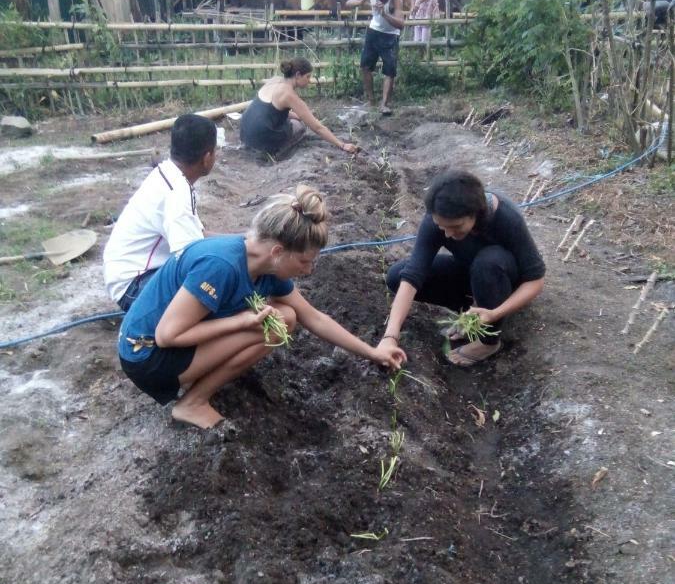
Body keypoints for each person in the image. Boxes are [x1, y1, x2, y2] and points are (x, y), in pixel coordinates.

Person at [118, 185, 406, 430]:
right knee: (277, 323)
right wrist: (242, 322)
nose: (309, 270)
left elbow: (313, 317)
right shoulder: (221, 265)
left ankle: (196, 389)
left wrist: (373, 353)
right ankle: (192, 403)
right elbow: (167, 335)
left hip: (169, 346)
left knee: (288, 317)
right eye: (305, 261)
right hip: (146, 356)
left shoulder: (266, 267)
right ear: (278, 251)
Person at [379, 170, 545, 367]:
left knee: (489, 262)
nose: (448, 234)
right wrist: (391, 335)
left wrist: (495, 313)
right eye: (442, 227)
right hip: (471, 274)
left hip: (505, 284)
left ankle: (489, 342)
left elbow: (535, 279)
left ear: (475, 213)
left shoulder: (506, 219)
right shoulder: (436, 220)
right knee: (396, 276)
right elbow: (413, 274)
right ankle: (472, 314)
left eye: (456, 226)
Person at [103, 113, 217, 311]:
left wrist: (244, 240)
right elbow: (190, 258)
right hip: (135, 285)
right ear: (207, 158)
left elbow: (199, 235)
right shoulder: (177, 192)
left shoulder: (169, 174)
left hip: (128, 275)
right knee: (216, 289)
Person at [239, 57, 358, 156]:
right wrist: (342, 145)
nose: (309, 81)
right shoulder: (289, 95)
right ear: (297, 75)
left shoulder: (275, 80)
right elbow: (317, 128)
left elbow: (270, 110)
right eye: (307, 76)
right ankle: (278, 152)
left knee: (295, 118)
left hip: (245, 131)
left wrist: (299, 115)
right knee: (299, 126)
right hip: (260, 140)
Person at [345, 0, 404, 115]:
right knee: (365, 66)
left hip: (390, 36)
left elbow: (401, 24)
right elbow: (349, 3)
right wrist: (361, 0)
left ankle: (384, 104)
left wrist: (385, 14)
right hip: (373, 32)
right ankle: (371, 101)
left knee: (389, 70)